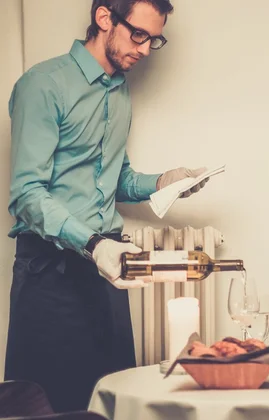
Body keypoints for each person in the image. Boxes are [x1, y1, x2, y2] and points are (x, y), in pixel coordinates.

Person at [5, 0, 208, 412]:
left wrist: (165, 182)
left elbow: (116, 180)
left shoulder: (119, 93)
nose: (146, 49)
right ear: (104, 19)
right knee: (52, 406)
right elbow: (26, 193)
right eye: (139, 35)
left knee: (112, 403)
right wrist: (93, 243)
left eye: (155, 40)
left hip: (109, 270)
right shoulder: (42, 85)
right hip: (51, 272)